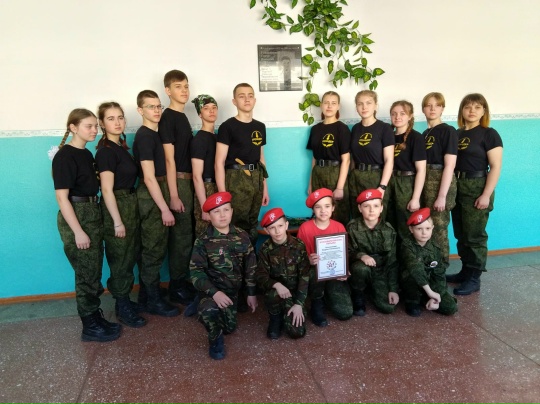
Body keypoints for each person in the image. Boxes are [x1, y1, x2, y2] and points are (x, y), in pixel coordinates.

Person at [52, 108, 121, 342]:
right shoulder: (65, 156)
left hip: (91, 211)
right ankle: (89, 326)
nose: (94, 130)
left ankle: (94, 316)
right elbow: (62, 198)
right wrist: (78, 232)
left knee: (93, 270)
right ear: (73, 127)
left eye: (95, 126)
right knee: (85, 273)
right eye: (88, 126)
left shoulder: (86, 154)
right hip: (77, 215)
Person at [95, 102, 146, 328]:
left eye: (120, 117)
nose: (117, 122)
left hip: (129, 202)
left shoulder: (121, 148)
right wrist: (117, 222)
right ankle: (122, 305)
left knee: (130, 253)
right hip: (117, 205)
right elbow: (106, 190)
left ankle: (124, 301)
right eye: (110, 118)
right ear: (102, 123)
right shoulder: (106, 152)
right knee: (120, 257)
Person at [190, 192, 258, 360]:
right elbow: (196, 272)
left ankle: (226, 305)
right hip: (213, 291)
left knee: (230, 328)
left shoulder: (242, 236)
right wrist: (215, 293)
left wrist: (251, 293)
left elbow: (251, 267)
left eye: (226, 210)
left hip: (234, 291)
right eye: (216, 211)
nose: (222, 215)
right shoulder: (203, 241)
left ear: (232, 212)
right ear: (209, 216)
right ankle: (215, 339)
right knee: (209, 311)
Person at [450, 93, 503, 295]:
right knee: (461, 233)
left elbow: (495, 166)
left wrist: (486, 194)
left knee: (474, 235)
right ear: (462, 111)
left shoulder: (489, 134)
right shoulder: (456, 134)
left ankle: (474, 277)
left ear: (484, 111)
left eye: (477, 107)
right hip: (457, 186)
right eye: (467, 107)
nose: (472, 110)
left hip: (477, 186)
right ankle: (465, 271)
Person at [132, 90, 179, 317]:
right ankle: (152, 300)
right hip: (151, 196)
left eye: (159, 106)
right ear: (140, 110)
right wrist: (164, 209)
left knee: (156, 247)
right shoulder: (144, 136)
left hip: (158, 190)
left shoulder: (154, 134)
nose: (157, 110)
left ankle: (147, 295)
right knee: (153, 249)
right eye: (151, 107)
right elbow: (149, 178)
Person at [215, 82, 269, 247]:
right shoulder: (227, 127)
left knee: (252, 223)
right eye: (241, 96)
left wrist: (265, 187)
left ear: (254, 100)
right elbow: (219, 162)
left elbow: (261, 158)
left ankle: (250, 258)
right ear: (234, 101)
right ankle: (237, 260)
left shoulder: (260, 127)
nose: (247, 99)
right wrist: (223, 195)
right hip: (236, 178)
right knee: (237, 223)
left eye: (250, 96)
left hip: (256, 178)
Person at [159, 70, 196, 306]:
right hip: (178, 182)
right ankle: (176, 286)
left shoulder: (182, 116)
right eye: (178, 86)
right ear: (167, 90)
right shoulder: (168, 118)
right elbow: (169, 159)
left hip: (188, 180)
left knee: (187, 235)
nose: (184, 90)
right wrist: (173, 195)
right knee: (181, 237)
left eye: (186, 86)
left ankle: (183, 282)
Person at [297, 188, 353, 327]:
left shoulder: (339, 227)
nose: (323, 210)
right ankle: (317, 301)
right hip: (315, 273)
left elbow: (343, 253)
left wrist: (345, 269)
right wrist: (308, 259)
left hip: (334, 274)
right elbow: (298, 255)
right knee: (312, 274)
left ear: (333, 208)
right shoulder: (305, 228)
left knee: (345, 313)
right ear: (313, 210)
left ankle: (329, 295)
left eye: (327, 206)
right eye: (318, 207)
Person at [256, 208, 310, 339]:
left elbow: (305, 275)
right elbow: (261, 275)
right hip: (278, 294)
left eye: (280, 226)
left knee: (297, 332)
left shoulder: (298, 245)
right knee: (272, 293)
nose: (277, 231)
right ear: (267, 231)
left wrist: (299, 303)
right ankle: (275, 317)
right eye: (272, 228)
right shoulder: (265, 249)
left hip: (295, 293)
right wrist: (276, 285)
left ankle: (297, 309)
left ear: (286, 225)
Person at [420, 92, 458, 268]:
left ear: (442, 108)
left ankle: (441, 269)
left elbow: (449, 165)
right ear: (423, 109)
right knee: (426, 226)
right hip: (425, 180)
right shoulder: (425, 133)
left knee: (439, 228)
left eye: (437, 105)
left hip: (440, 181)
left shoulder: (448, 131)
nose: (432, 108)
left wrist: (442, 196)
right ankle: (429, 266)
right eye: (428, 105)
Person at [347, 189, 399, 316]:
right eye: (366, 206)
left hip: (381, 271)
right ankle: (358, 293)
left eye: (376, 206)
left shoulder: (389, 230)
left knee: (388, 308)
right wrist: (362, 256)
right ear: (360, 208)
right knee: (360, 269)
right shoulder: (352, 227)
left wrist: (393, 289)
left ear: (381, 208)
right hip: (361, 268)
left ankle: (374, 289)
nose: (371, 210)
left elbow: (392, 261)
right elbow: (347, 252)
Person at [400, 208, 457, 316]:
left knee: (450, 307)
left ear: (432, 228)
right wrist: (430, 292)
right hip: (412, 283)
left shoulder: (435, 247)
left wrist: (436, 296)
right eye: (419, 229)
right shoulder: (407, 244)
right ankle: (412, 301)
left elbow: (439, 274)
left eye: (427, 228)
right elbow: (415, 268)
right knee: (412, 275)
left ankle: (425, 299)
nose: (424, 233)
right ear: (411, 229)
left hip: (430, 284)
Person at [306, 91, 351, 226]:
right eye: (326, 103)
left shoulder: (342, 129)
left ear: (338, 106)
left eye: (333, 103)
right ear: (321, 105)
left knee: (338, 214)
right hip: (318, 173)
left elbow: (346, 160)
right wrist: (310, 183)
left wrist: (340, 187)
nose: (329, 106)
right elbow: (314, 159)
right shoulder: (315, 129)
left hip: (335, 173)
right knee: (320, 212)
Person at [349, 90, 394, 220]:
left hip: (376, 177)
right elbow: (353, 158)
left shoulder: (384, 128)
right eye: (360, 104)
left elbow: (389, 160)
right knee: (358, 218)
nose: (364, 107)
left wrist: (382, 187)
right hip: (356, 178)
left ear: (376, 106)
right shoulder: (355, 129)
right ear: (356, 107)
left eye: (368, 103)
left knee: (375, 219)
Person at [387, 101, 427, 244]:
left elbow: (421, 170)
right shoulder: (388, 136)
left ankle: (408, 257)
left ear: (410, 116)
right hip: (390, 181)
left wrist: (415, 198)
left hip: (407, 184)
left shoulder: (416, 137)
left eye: (402, 113)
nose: (397, 117)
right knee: (389, 223)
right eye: (394, 114)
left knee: (406, 225)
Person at [191, 94, 219, 237]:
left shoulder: (217, 137)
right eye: (206, 108)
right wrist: (204, 207)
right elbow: (197, 176)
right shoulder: (200, 139)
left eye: (214, 107)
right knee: (205, 234)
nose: (211, 111)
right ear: (200, 113)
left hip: (218, 186)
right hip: (206, 188)